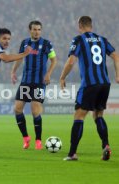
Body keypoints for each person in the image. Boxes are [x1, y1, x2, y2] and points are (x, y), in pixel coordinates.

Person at [60, 16, 119, 161]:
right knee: (98, 115)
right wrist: (118, 75)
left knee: (79, 116)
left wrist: (62, 77)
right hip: (104, 83)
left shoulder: (79, 40)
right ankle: (105, 145)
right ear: (91, 25)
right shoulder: (102, 39)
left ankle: (72, 153)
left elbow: (71, 61)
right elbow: (116, 56)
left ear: (79, 25)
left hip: (89, 84)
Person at [10, 21, 57, 150]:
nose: (37, 32)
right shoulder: (25, 43)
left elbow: (54, 60)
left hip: (39, 83)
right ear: (30, 30)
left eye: (39, 29)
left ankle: (38, 140)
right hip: (25, 81)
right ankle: (26, 138)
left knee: (35, 111)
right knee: (17, 109)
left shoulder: (46, 44)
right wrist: (13, 71)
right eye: (35, 29)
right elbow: (19, 58)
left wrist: (48, 74)